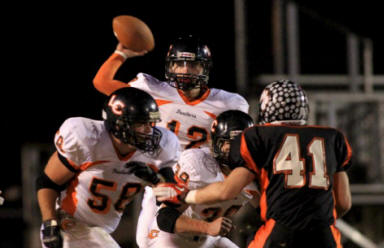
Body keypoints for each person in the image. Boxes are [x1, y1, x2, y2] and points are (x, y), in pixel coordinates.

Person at [93, 34, 249, 247]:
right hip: (164, 182)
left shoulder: (228, 103)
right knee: (146, 241)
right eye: (179, 64)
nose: (185, 70)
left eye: (192, 65)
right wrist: (121, 53)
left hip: (203, 183)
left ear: (205, 68)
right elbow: (102, 82)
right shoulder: (152, 90)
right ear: (170, 66)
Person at [154, 80, 353, 248]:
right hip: (176, 238)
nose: (234, 151)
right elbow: (164, 218)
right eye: (228, 145)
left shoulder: (259, 149)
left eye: (238, 144)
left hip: (243, 235)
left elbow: (227, 192)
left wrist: (189, 196)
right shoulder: (196, 162)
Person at [36, 87, 180, 248]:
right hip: (70, 223)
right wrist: (50, 224)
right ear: (118, 123)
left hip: (100, 229)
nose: (149, 130)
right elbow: (47, 183)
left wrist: (156, 181)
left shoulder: (160, 148)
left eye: (151, 123)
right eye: (141, 123)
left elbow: (171, 197)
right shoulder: (88, 139)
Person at [147, 110, 259, 248]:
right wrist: (208, 227)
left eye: (243, 143)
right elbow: (165, 218)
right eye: (231, 143)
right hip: (172, 238)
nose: (238, 150)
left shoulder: (253, 172)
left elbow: (267, 211)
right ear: (217, 143)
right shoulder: (197, 165)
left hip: (207, 239)